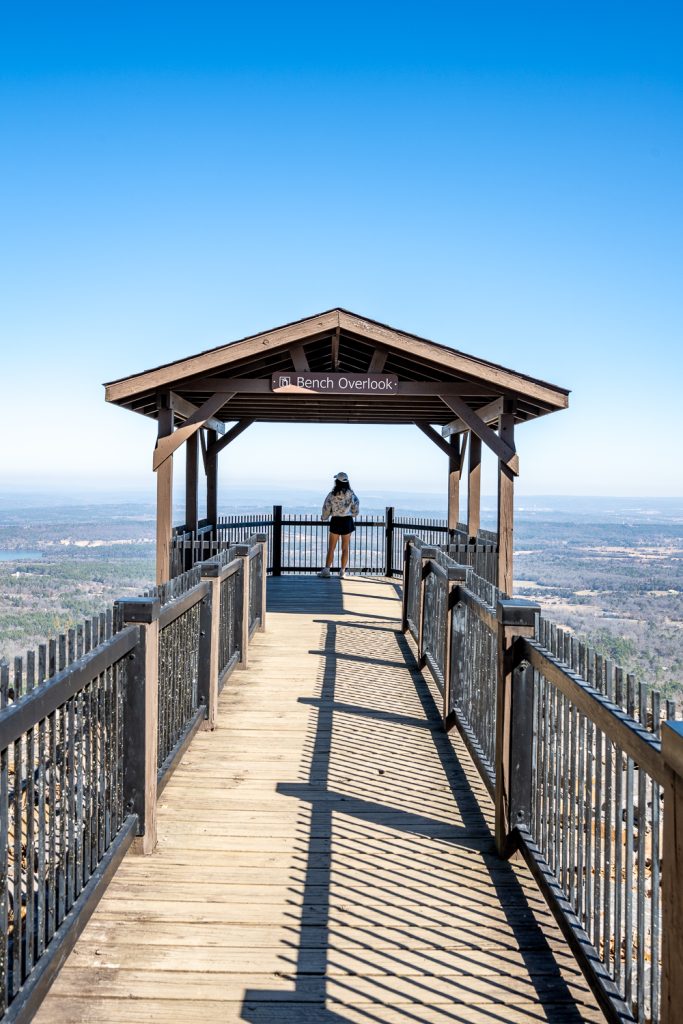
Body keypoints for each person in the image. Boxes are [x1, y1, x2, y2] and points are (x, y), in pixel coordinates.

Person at [318, 472, 360, 578]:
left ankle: (327, 570)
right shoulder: (351, 494)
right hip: (347, 521)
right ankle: (342, 571)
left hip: (336, 521)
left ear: (337, 481)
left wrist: (324, 517)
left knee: (331, 547)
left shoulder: (332, 494)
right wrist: (353, 514)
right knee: (345, 547)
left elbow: (326, 507)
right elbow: (356, 505)